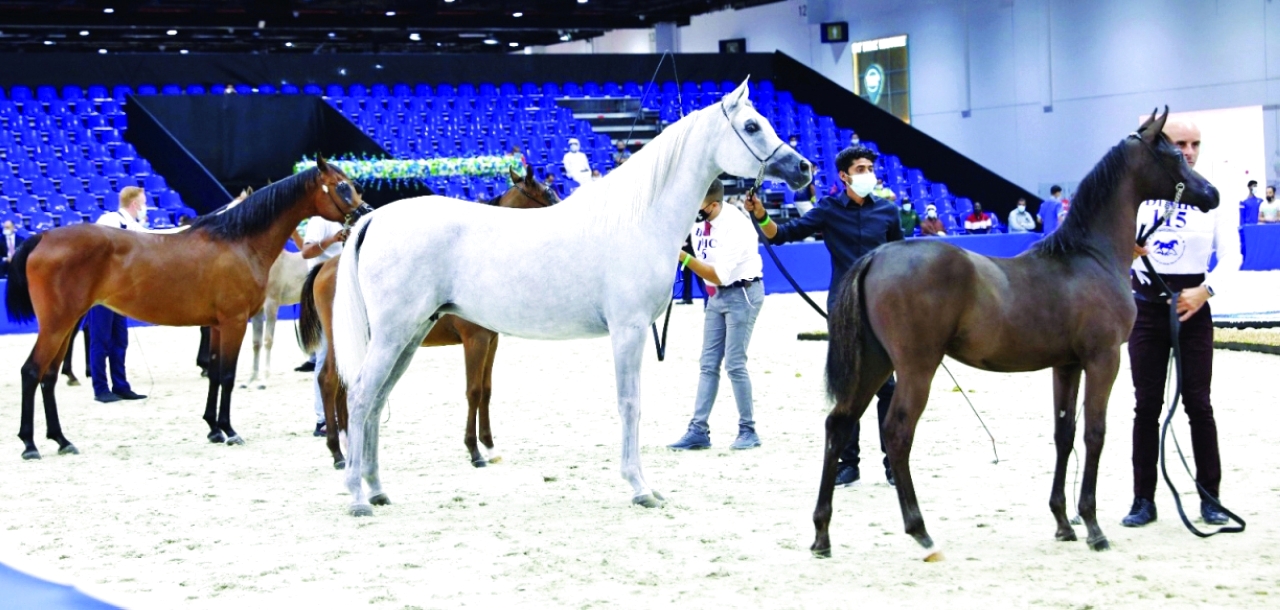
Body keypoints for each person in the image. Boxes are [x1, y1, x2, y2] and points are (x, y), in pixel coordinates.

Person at [744, 145, 902, 486]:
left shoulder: (888, 212)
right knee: (848, 389)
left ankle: (893, 462)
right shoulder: (828, 210)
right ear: (844, 176)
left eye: (870, 167)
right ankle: (849, 465)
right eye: (860, 168)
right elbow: (782, 235)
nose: (867, 173)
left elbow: (901, 259)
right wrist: (760, 214)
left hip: (882, 312)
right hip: (844, 312)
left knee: (887, 389)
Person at [1123, 116, 1230, 528]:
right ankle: (1142, 501)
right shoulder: (1137, 193)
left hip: (1194, 307)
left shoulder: (1212, 193)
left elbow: (1233, 256)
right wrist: (1126, 250)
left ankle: (1211, 498)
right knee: (1145, 406)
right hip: (1146, 308)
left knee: (1198, 405)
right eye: (1179, 144)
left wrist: (1206, 292)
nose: (1188, 152)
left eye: (1194, 144)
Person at [668, 180, 765, 451]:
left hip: (742, 293)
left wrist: (683, 257)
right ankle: (698, 430)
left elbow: (720, 274)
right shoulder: (697, 220)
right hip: (716, 296)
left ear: (713, 204)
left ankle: (748, 430)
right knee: (708, 363)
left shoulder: (735, 225)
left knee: (735, 363)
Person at [88, 187, 150, 403]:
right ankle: (100, 388)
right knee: (100, 339)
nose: (145, 207)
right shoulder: (110, 220)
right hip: (101, 290)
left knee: (119, 339)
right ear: (134, 204)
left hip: (119, 292)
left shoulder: (135, 226)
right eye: (143, 203)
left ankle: (121, 385)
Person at [301, 215, 347, 436]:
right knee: (325, 355)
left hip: (346, 292)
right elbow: (307, 251)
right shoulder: (320, 222)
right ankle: (322, 419)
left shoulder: (351, 221)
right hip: (325, 293)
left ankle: (342, 415)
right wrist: (332, 239)